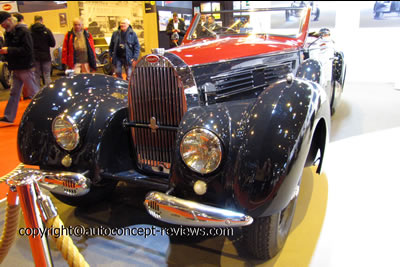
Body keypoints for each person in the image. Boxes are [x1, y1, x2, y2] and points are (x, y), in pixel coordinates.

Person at [0, 11, 39, 124]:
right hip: (16, 67)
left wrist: (9, 50)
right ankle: (9, 116)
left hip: (25, 67)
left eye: (3, 23)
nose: (2, 26)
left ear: (9, 20)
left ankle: (43, 114)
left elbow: (28, 50)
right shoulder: (9, 33)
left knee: (34, 94)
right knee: (14, 93)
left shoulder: (24, 32)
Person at [30, 15, 56, 88]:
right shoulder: (47, 30)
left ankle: (36, 93)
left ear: (34, 21)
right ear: (42, 20)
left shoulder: (30, 31)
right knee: (47, 75)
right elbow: (53, 44)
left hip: (35, 57)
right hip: (46, 56)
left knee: (36, 76)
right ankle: (48, 92)